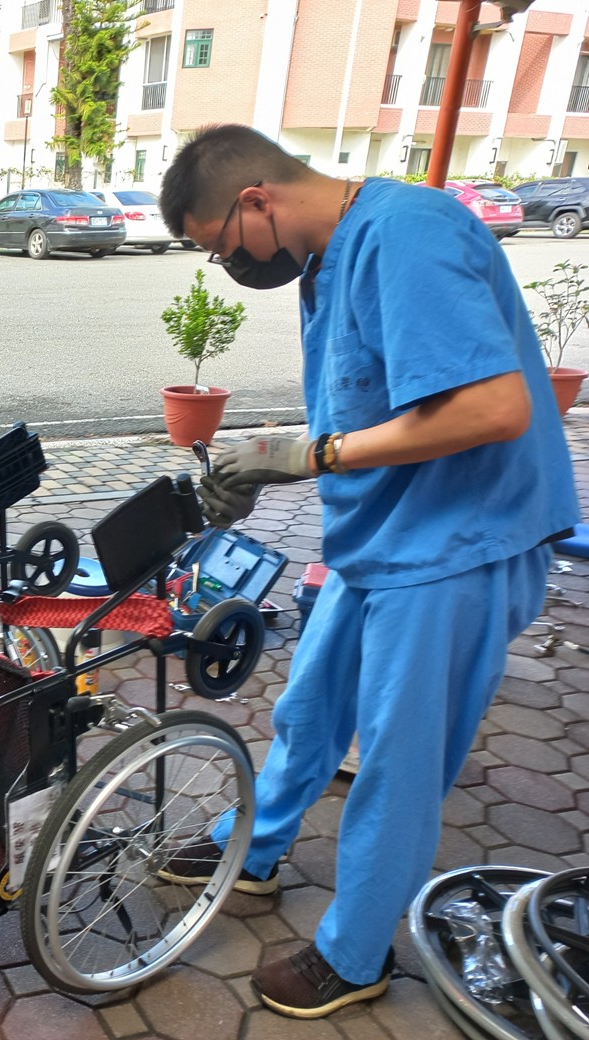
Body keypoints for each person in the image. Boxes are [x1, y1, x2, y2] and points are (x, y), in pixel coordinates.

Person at [155, 125, 577, 1019]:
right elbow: (368, 394)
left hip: (457, 544)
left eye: (221, 245)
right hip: (381, 531)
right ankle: (255, 850)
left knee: (394, 757)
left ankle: (353, 955)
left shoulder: (409, 232)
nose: (228, 264)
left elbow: (494, 407)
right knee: (307, 711)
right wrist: (277, 456)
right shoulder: (328, 254)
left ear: (256, 200)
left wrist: (309, 455)